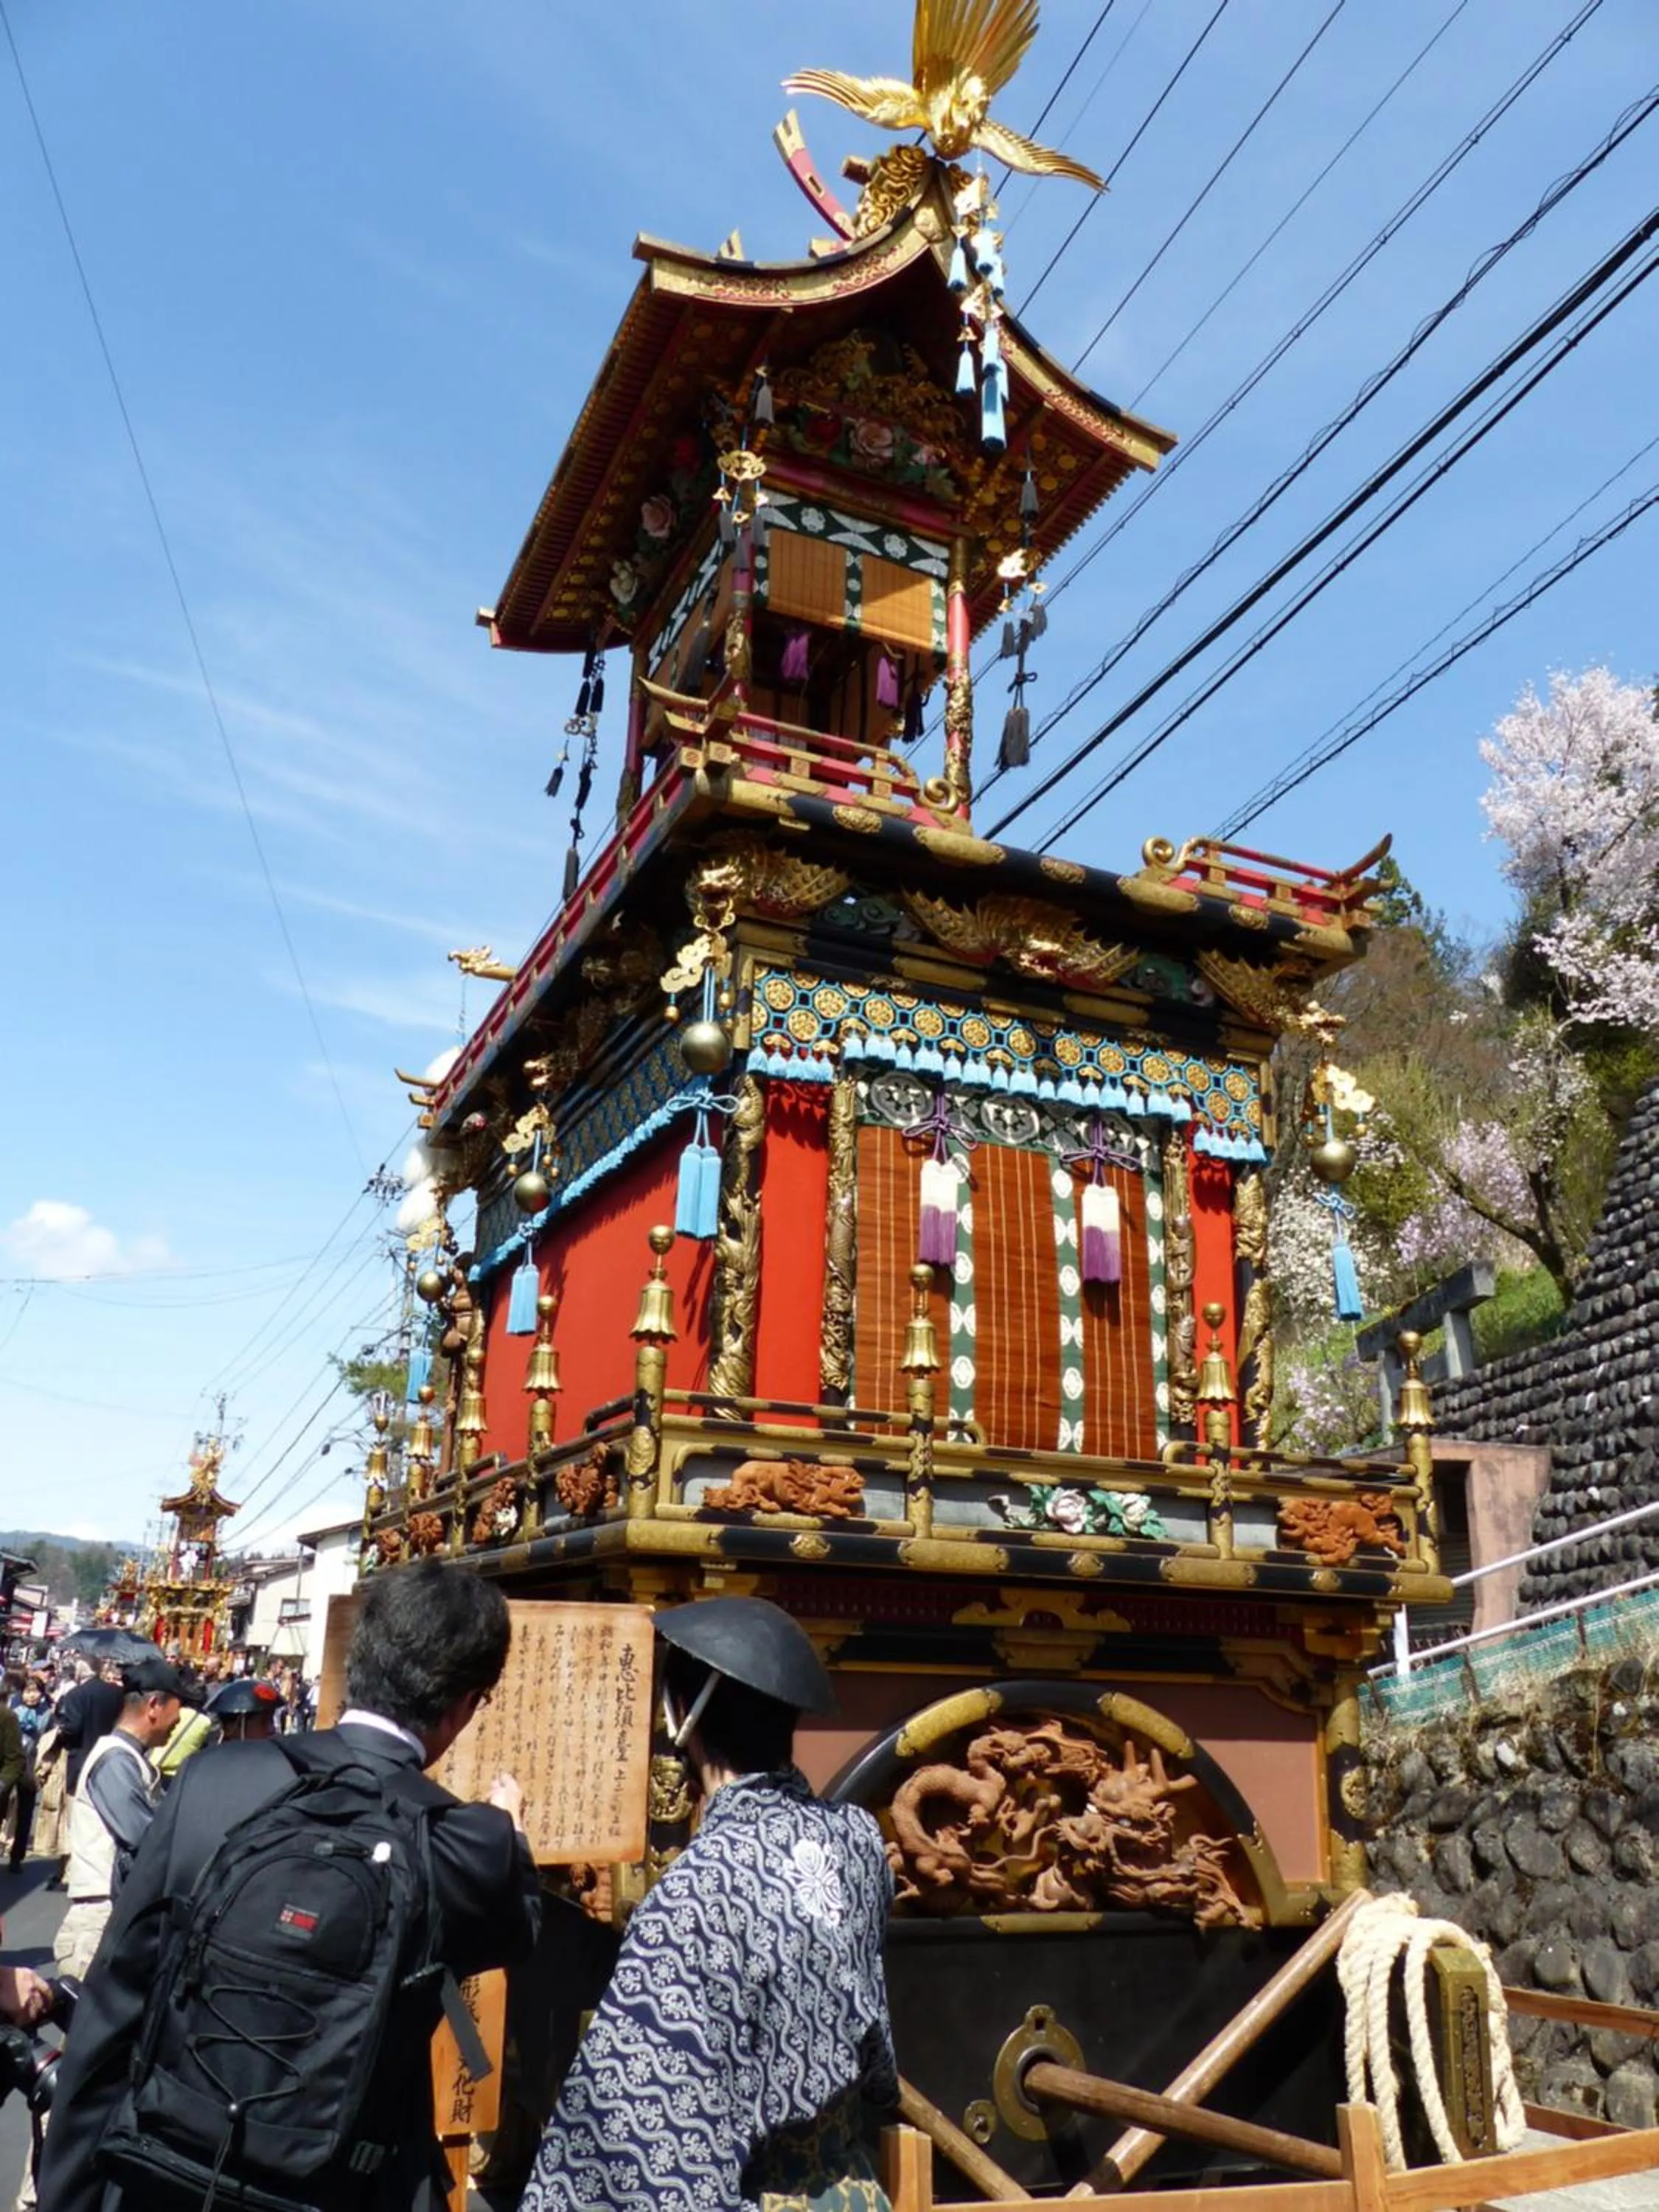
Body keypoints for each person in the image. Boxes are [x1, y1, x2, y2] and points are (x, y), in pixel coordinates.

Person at [39, 1559, 540, 2212]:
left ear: (360, 1662)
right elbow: (519, 1929)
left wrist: (71, 2194)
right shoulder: (467, 1842)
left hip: (163, 2169)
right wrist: (511, 1834)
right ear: (468, 1703)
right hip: (346, 2187)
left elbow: (117, 2002)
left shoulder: (213, 1782)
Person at [520, 1596, 897, 2212]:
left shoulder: (698, 1886)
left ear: (681, 1718)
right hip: (853, 2189)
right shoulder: (855, 1837)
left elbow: (641, 2134)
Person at [55, 1658, 183, 1978]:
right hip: (100, 1918)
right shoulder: (115, 1760)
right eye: (176, 1712)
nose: (178, 1722)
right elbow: (145, 1838)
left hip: (113, 1916)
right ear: (154, 1705)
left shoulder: (130, 1759)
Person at [204, 1675, 282, 1743]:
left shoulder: (274, 1758)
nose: (272, 1729)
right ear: (231, 1728)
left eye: (271, 1721)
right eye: (264, 1722)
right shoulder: (209, 1759)